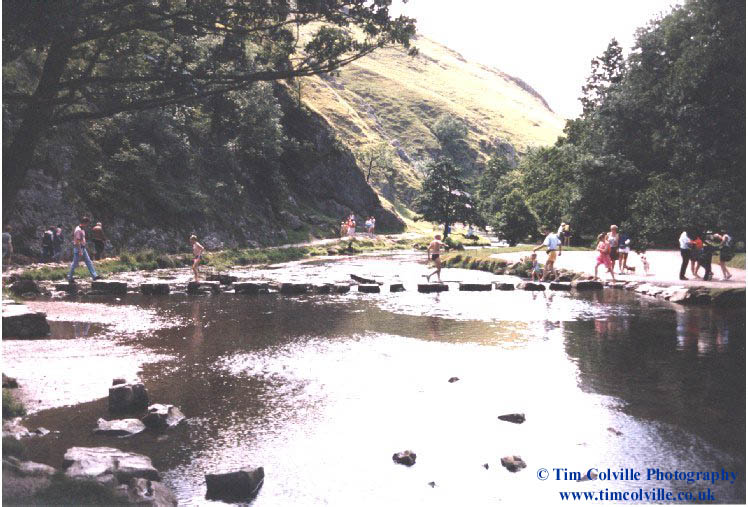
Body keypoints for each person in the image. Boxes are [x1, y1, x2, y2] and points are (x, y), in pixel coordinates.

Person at [67, 216, 99, 282]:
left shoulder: (82, 229)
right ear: (84, 223)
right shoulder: (78, 230)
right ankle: (69, 276)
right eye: (87, 223)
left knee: (88, 261)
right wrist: (80, 250)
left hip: (83, 248)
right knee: (75, 263)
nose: (87, 225)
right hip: (79, 248)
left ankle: (94, 275)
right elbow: (77, 241)